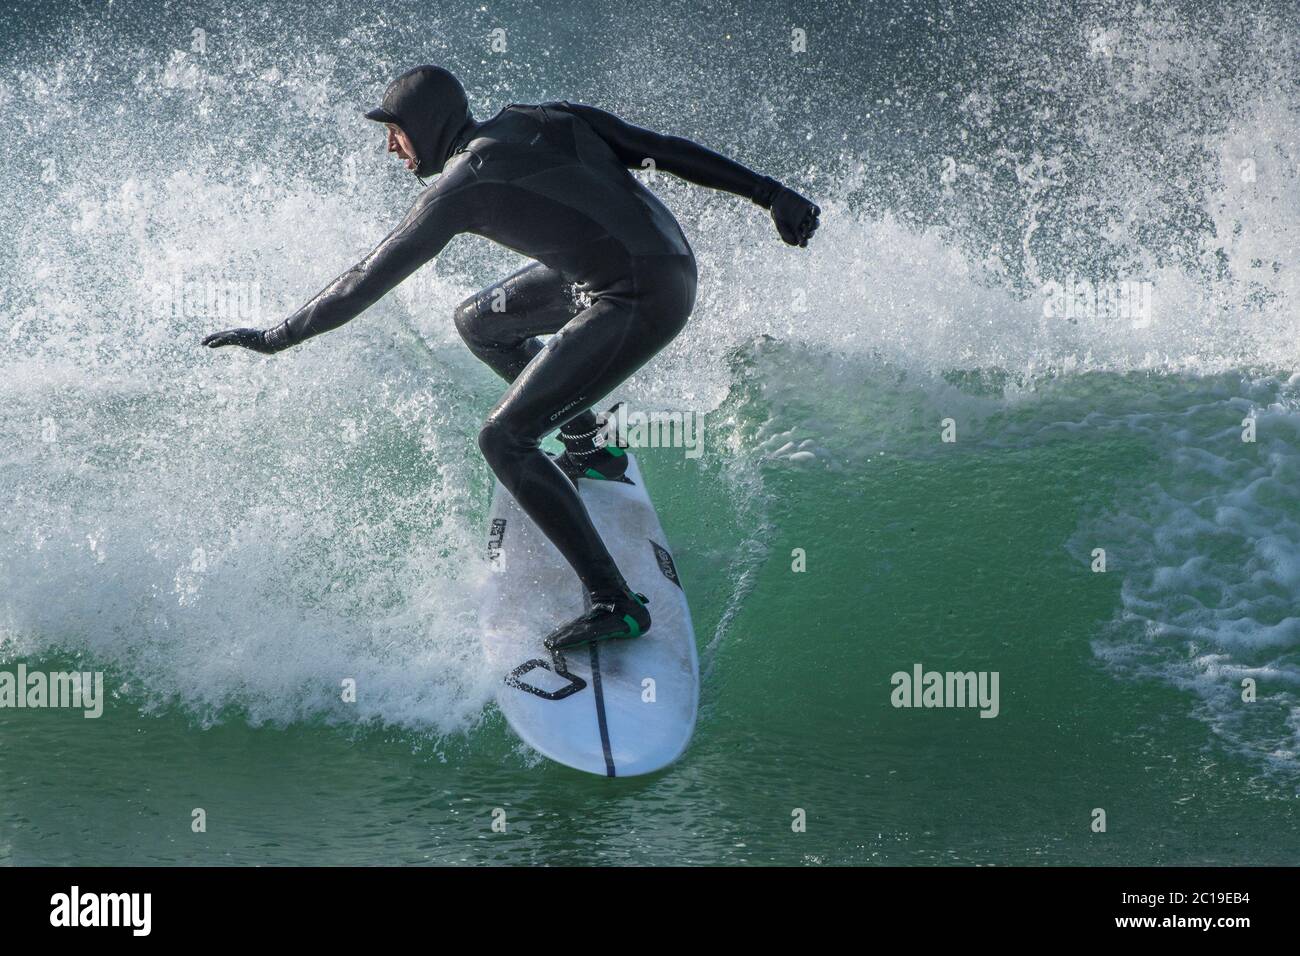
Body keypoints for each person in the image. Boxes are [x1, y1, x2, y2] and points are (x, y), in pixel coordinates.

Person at [203, 65, 820, 651]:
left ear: (424, 127)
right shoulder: (545, 116)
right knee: (480, 321)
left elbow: (368, 276)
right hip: (655, 265)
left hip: (639, 294)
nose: (391, 149)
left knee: (504, 440)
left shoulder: (463, 186)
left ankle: (615, 603)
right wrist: (769, 194)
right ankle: (590, 449)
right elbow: (663, 149)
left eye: (394, 133)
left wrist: (276, 337)